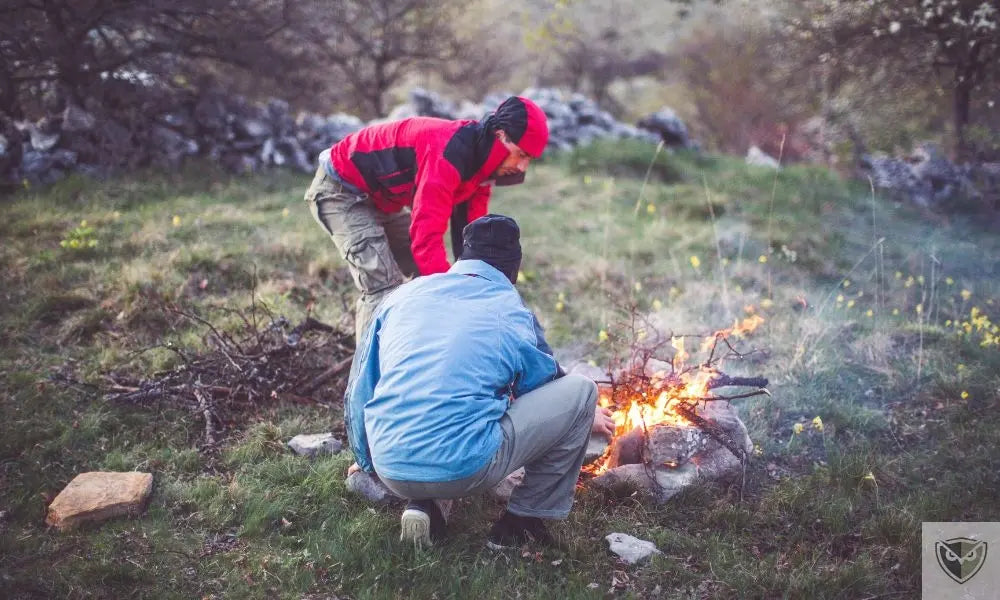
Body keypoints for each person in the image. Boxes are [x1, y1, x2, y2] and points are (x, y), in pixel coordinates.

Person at [344, 214, 614, 548]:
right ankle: (521, 523)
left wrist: (367, 461)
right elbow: (545, 387)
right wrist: (589, 416)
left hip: (390, 464)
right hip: (463, 468)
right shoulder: (510, 310)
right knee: (582, 390)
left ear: (462, 258)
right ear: (513, 269)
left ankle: (425, 506)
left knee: (447, 402)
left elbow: (359, 390)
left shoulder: (402, 296)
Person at [304, 96, 550, 343]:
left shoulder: (482, 168)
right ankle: (369, 378)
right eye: (521, 155)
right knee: (383, 288)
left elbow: (473, 245)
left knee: (427, 279)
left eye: (529, 159)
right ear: (500, 135)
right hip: (341, 191)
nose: (522, 167)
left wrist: (478, 291)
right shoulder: (448, 153)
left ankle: (420, 351)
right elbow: (426, 239)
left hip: (383, 201)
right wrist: (453, 297)